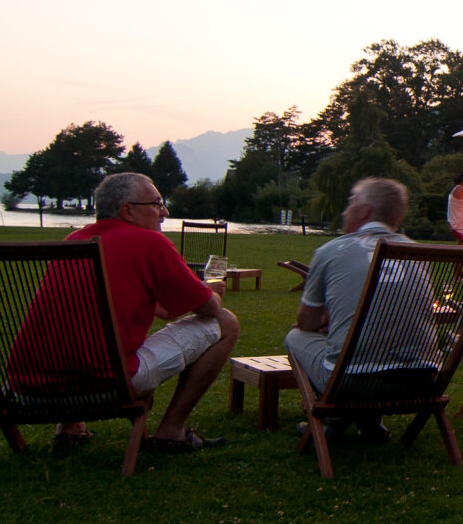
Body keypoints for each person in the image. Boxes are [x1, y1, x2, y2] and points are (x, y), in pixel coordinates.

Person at [51, 172, 239, 453]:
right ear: (127, 211)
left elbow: (122, 303)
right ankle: (171, 431)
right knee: (225, 322)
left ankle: (69, 427)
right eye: (157, 203)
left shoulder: (74, 241)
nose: (164, 212)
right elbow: (209, 308)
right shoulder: (149, 243)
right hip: (107, 382)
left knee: (80, 336)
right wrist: (211, 291)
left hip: (35, 386)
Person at [285, 177, 420, 444]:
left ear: (364, 211)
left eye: (350, 203)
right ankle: (370, 423)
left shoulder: (332, 250)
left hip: (354, 382)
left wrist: (322, 322)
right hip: (420, 380)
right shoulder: (417, 252)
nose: (344, 211)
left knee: (295, 336)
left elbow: (306, 322)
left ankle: (332, 420)